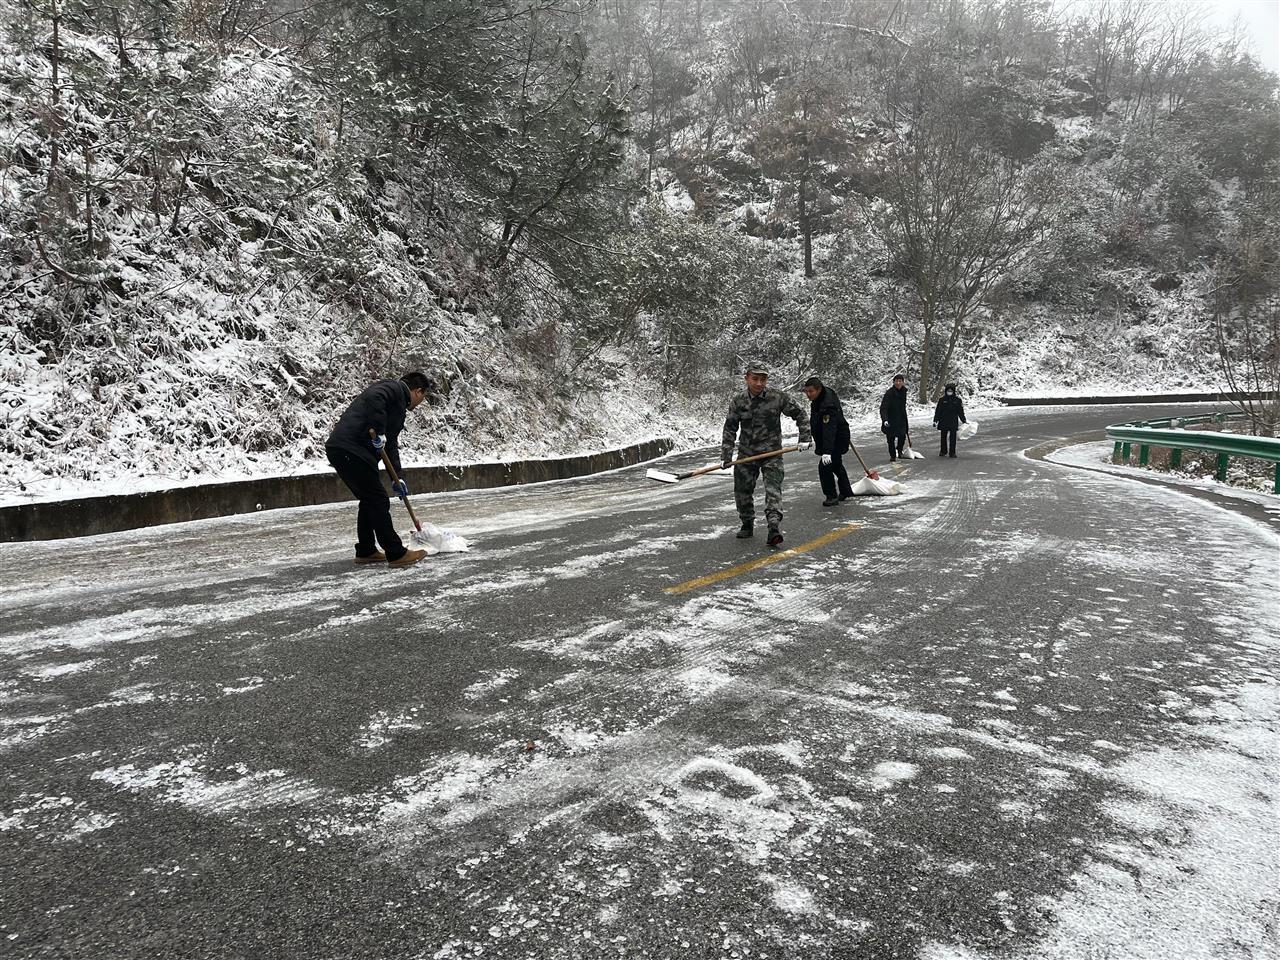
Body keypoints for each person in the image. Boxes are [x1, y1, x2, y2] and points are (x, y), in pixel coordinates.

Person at [325, 371, 433, 568]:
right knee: (377, 499)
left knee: (369, 500)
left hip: (348, 450)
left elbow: (390, 444)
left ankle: (366, 550)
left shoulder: (397, 407)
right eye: (423, 397)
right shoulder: (393, 389)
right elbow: (376, 398)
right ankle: (396, 553)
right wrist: (379, 429)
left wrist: (397, 477)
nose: (421, 402)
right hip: (351, 448)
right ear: (418, 391)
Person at [722, 362, 812, 547]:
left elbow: (800, 414)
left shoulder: (777, 397)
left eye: (763, 379)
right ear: (746, 378)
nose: (759, 383)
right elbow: (730, 428)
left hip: (772, 452)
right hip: (747, 454)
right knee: (742, 490)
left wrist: (805, 437)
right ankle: (747, 523)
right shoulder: (738, 401)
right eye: (755, 379)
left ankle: (773, 527)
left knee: (773, 489)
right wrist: (726, 455)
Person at [802, 376, 853, 506]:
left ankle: (831, 496)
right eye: (806, 391)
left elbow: (829, 429)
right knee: (836, 465)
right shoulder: (821, 397)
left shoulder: (827, 405)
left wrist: (827, 451)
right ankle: (846, 491)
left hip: (836, 438)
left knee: (824, 467)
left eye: (811, 391)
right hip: (833, 437)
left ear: (819, 390)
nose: (808, 394)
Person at [880, 373, 910, 461]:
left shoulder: (904, 392)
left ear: (903, 382)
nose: (898, 383)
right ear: (893, 382)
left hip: (901, 419)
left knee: (902, 436)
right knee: (890, 439)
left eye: (900, 381)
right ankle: (892, 456)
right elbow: (883, 408)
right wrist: (885, 419)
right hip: (890, 419)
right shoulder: (889, 393)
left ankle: (899, 451)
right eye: (896, 381)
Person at [933, 383, 967, 458]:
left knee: (953, 438)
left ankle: (952, 453)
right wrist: (935, 420)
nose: (949, 392)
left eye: (951, 391)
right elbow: (938, 411)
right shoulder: (942, 400)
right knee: (943, 437)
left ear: (954, 391)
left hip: (953, 421)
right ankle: (943, 451)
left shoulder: (957, 400)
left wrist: (964, 420)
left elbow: (960, 412)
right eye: (948, 390)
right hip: (943, 421)